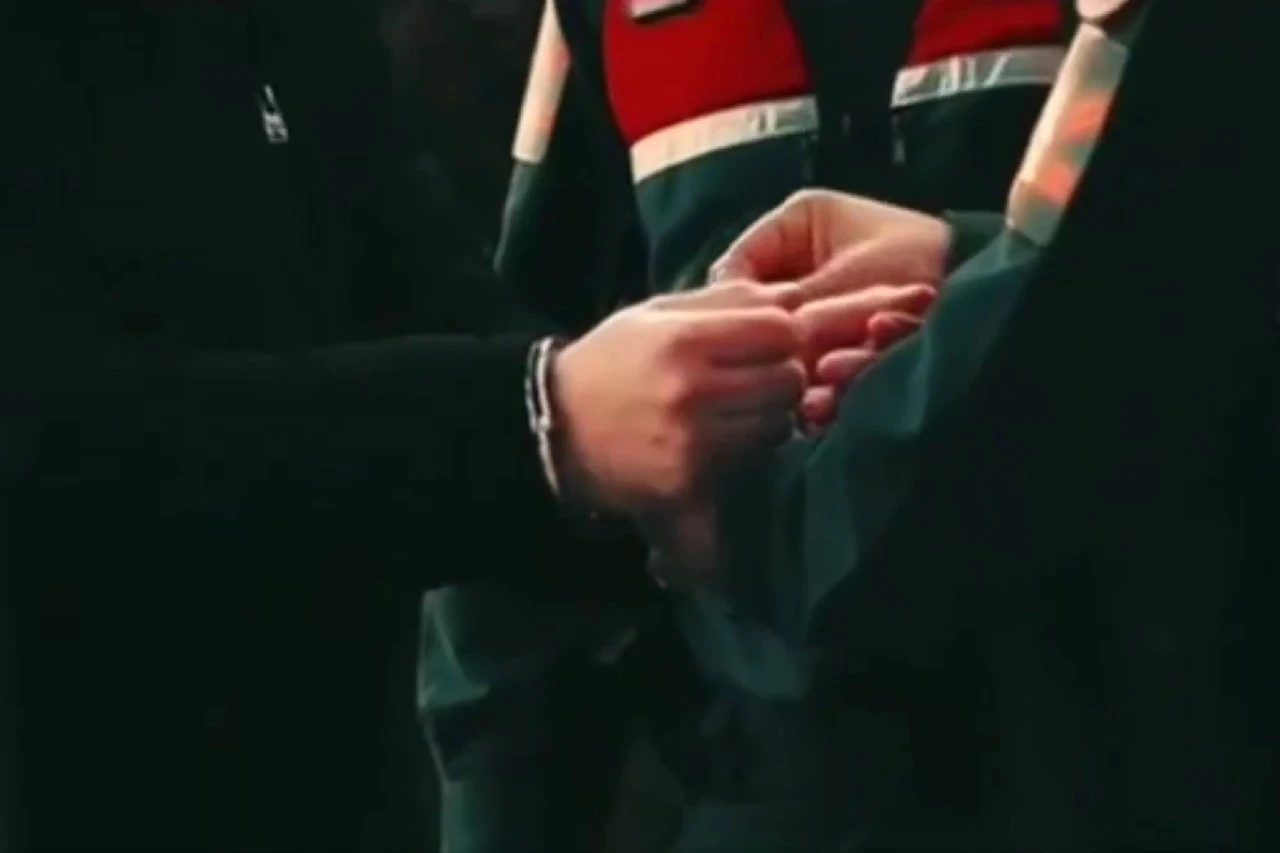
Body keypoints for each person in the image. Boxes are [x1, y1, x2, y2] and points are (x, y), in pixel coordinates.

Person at [0, 3, 921, 850]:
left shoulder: (288, 29)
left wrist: (724, 412)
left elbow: (434, 303)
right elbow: (57, 436)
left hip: (335, 786)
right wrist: (546, 421)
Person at [420, 1, 1064, 851]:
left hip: (1107, 745)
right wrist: (496, 816)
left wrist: (970, 263)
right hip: (775, 775)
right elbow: (542, 437)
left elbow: (1205, 284)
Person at [672, 0, 1277, 847]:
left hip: (1141, 741)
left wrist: (742, 520)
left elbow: (1163, 259)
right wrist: (969, 260)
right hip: (788, 775)